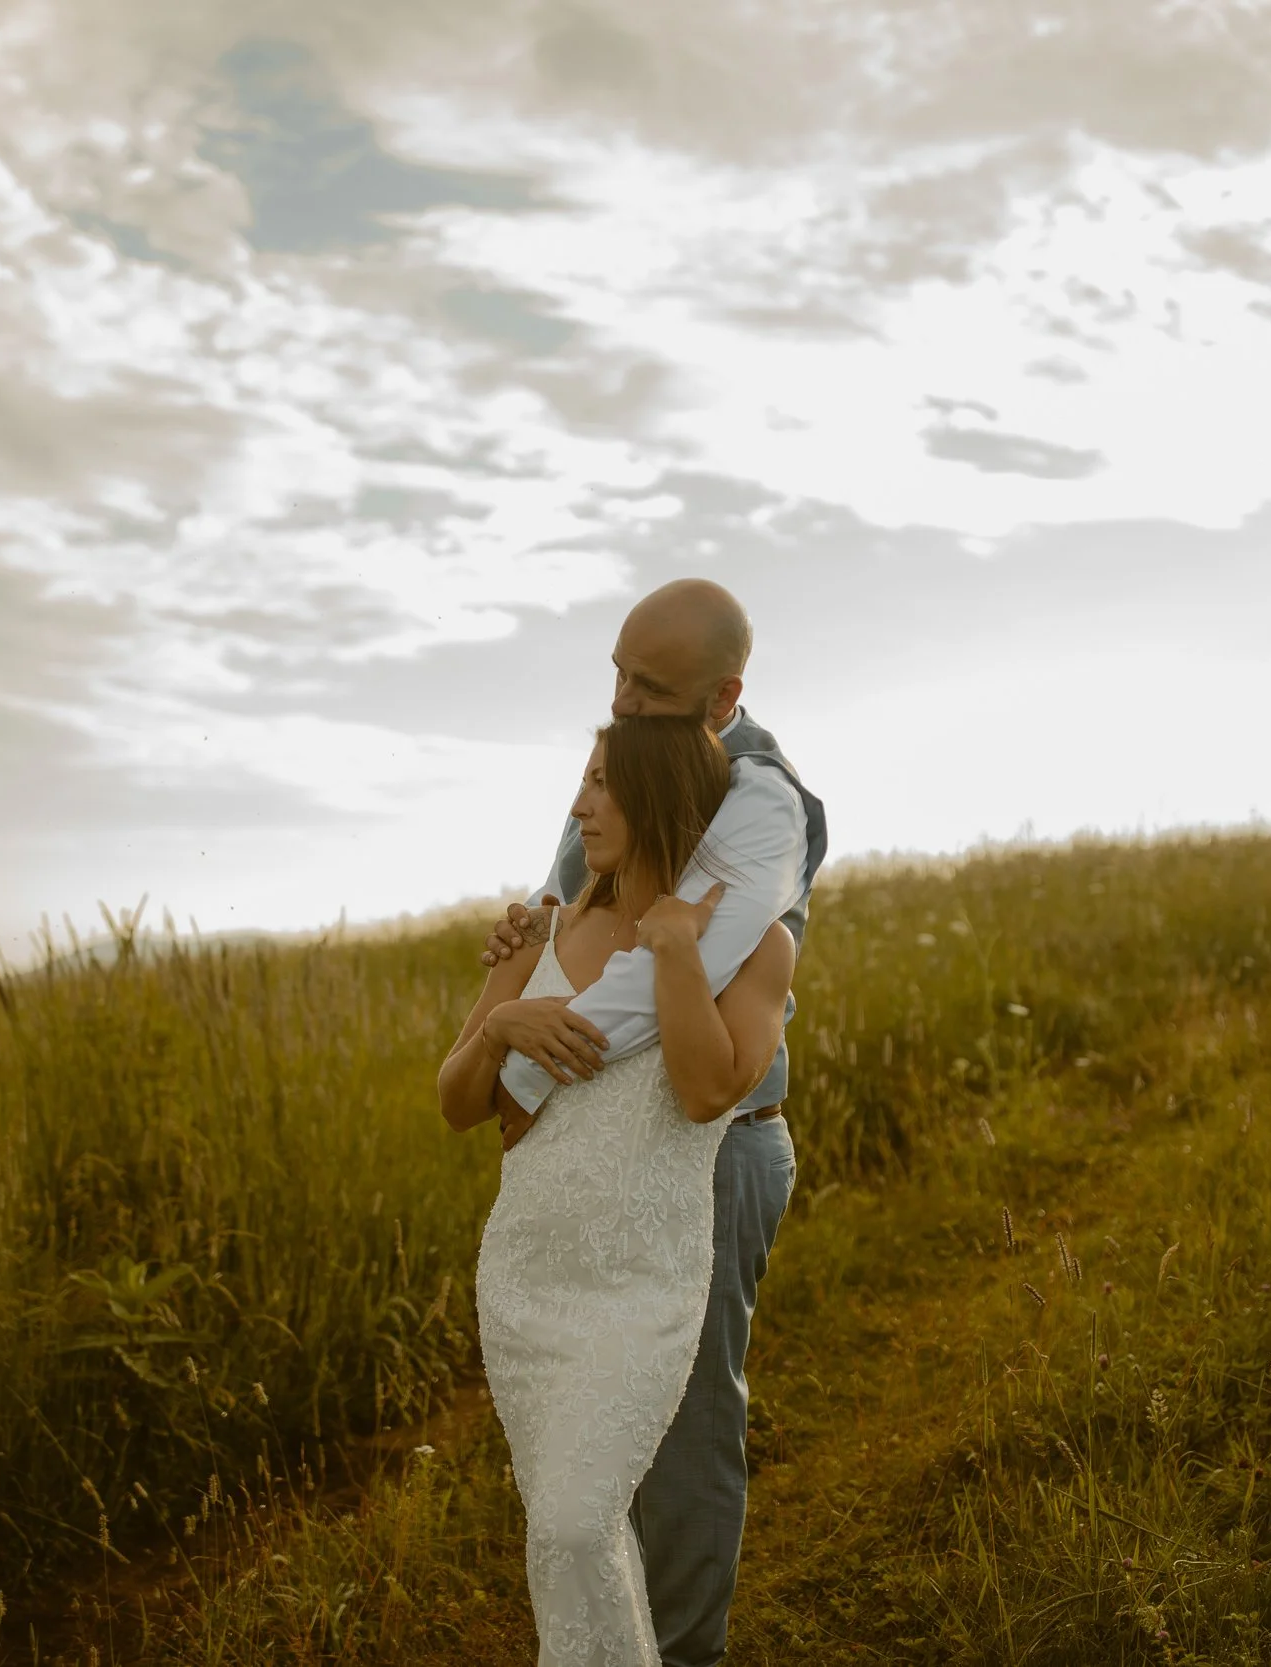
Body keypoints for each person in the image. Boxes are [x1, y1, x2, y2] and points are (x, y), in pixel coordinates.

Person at [476, 579, 827, 1666]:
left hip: (708, 1147)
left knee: (679, 1435)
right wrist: (513, 987)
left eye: (652, 688)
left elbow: (667, 1012)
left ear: (723, 697)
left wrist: (527, 1074)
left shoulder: (766, 806)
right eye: (617, 674)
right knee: (591, 1442)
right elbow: (563, 915)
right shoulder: (628, 758)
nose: (623, 703)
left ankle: (681, 1655)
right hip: (592, 1153)